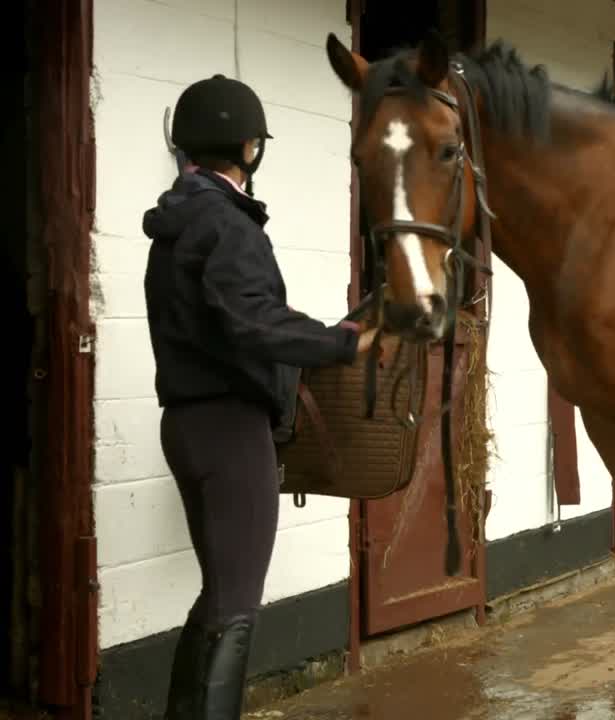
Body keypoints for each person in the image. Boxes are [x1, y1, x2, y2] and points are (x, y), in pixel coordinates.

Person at [142, 73, 374, 720]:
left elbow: (236, 316)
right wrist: (339, 342)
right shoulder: (227, 223)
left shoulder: (179, 220)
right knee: (236, 605)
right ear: (249, 147)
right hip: (228, 429)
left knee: (219, 594)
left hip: (186, 425)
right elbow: (254, 320)